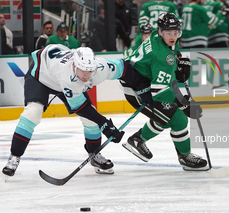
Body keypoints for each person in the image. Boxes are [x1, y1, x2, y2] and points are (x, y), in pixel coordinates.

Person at [2, 45, 152, 177]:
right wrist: (105, 124)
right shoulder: (67, 76)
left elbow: (124, 68)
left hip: (58, 69)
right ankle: (14, 156)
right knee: (32, 112)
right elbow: (80, 107)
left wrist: (142, 88)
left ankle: (94, 154)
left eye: (90, 71)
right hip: (41, 75)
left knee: (91, 119)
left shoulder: (100, 67)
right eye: (83, 71)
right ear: (74, 65)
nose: (87, 76)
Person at [122, 13, 208, 171]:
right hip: (138, 89)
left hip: (143, 80)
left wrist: (179, 60)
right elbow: (160, 92)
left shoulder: (157, 35)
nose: (173, 36)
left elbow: (171, 55)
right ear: (160, 31)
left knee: (173, 118)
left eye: (176, 32)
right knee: (175, 117)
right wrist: (184, 104)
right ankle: (139, 141)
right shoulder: (163, 57)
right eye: (168, 33)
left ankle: (181, 154)